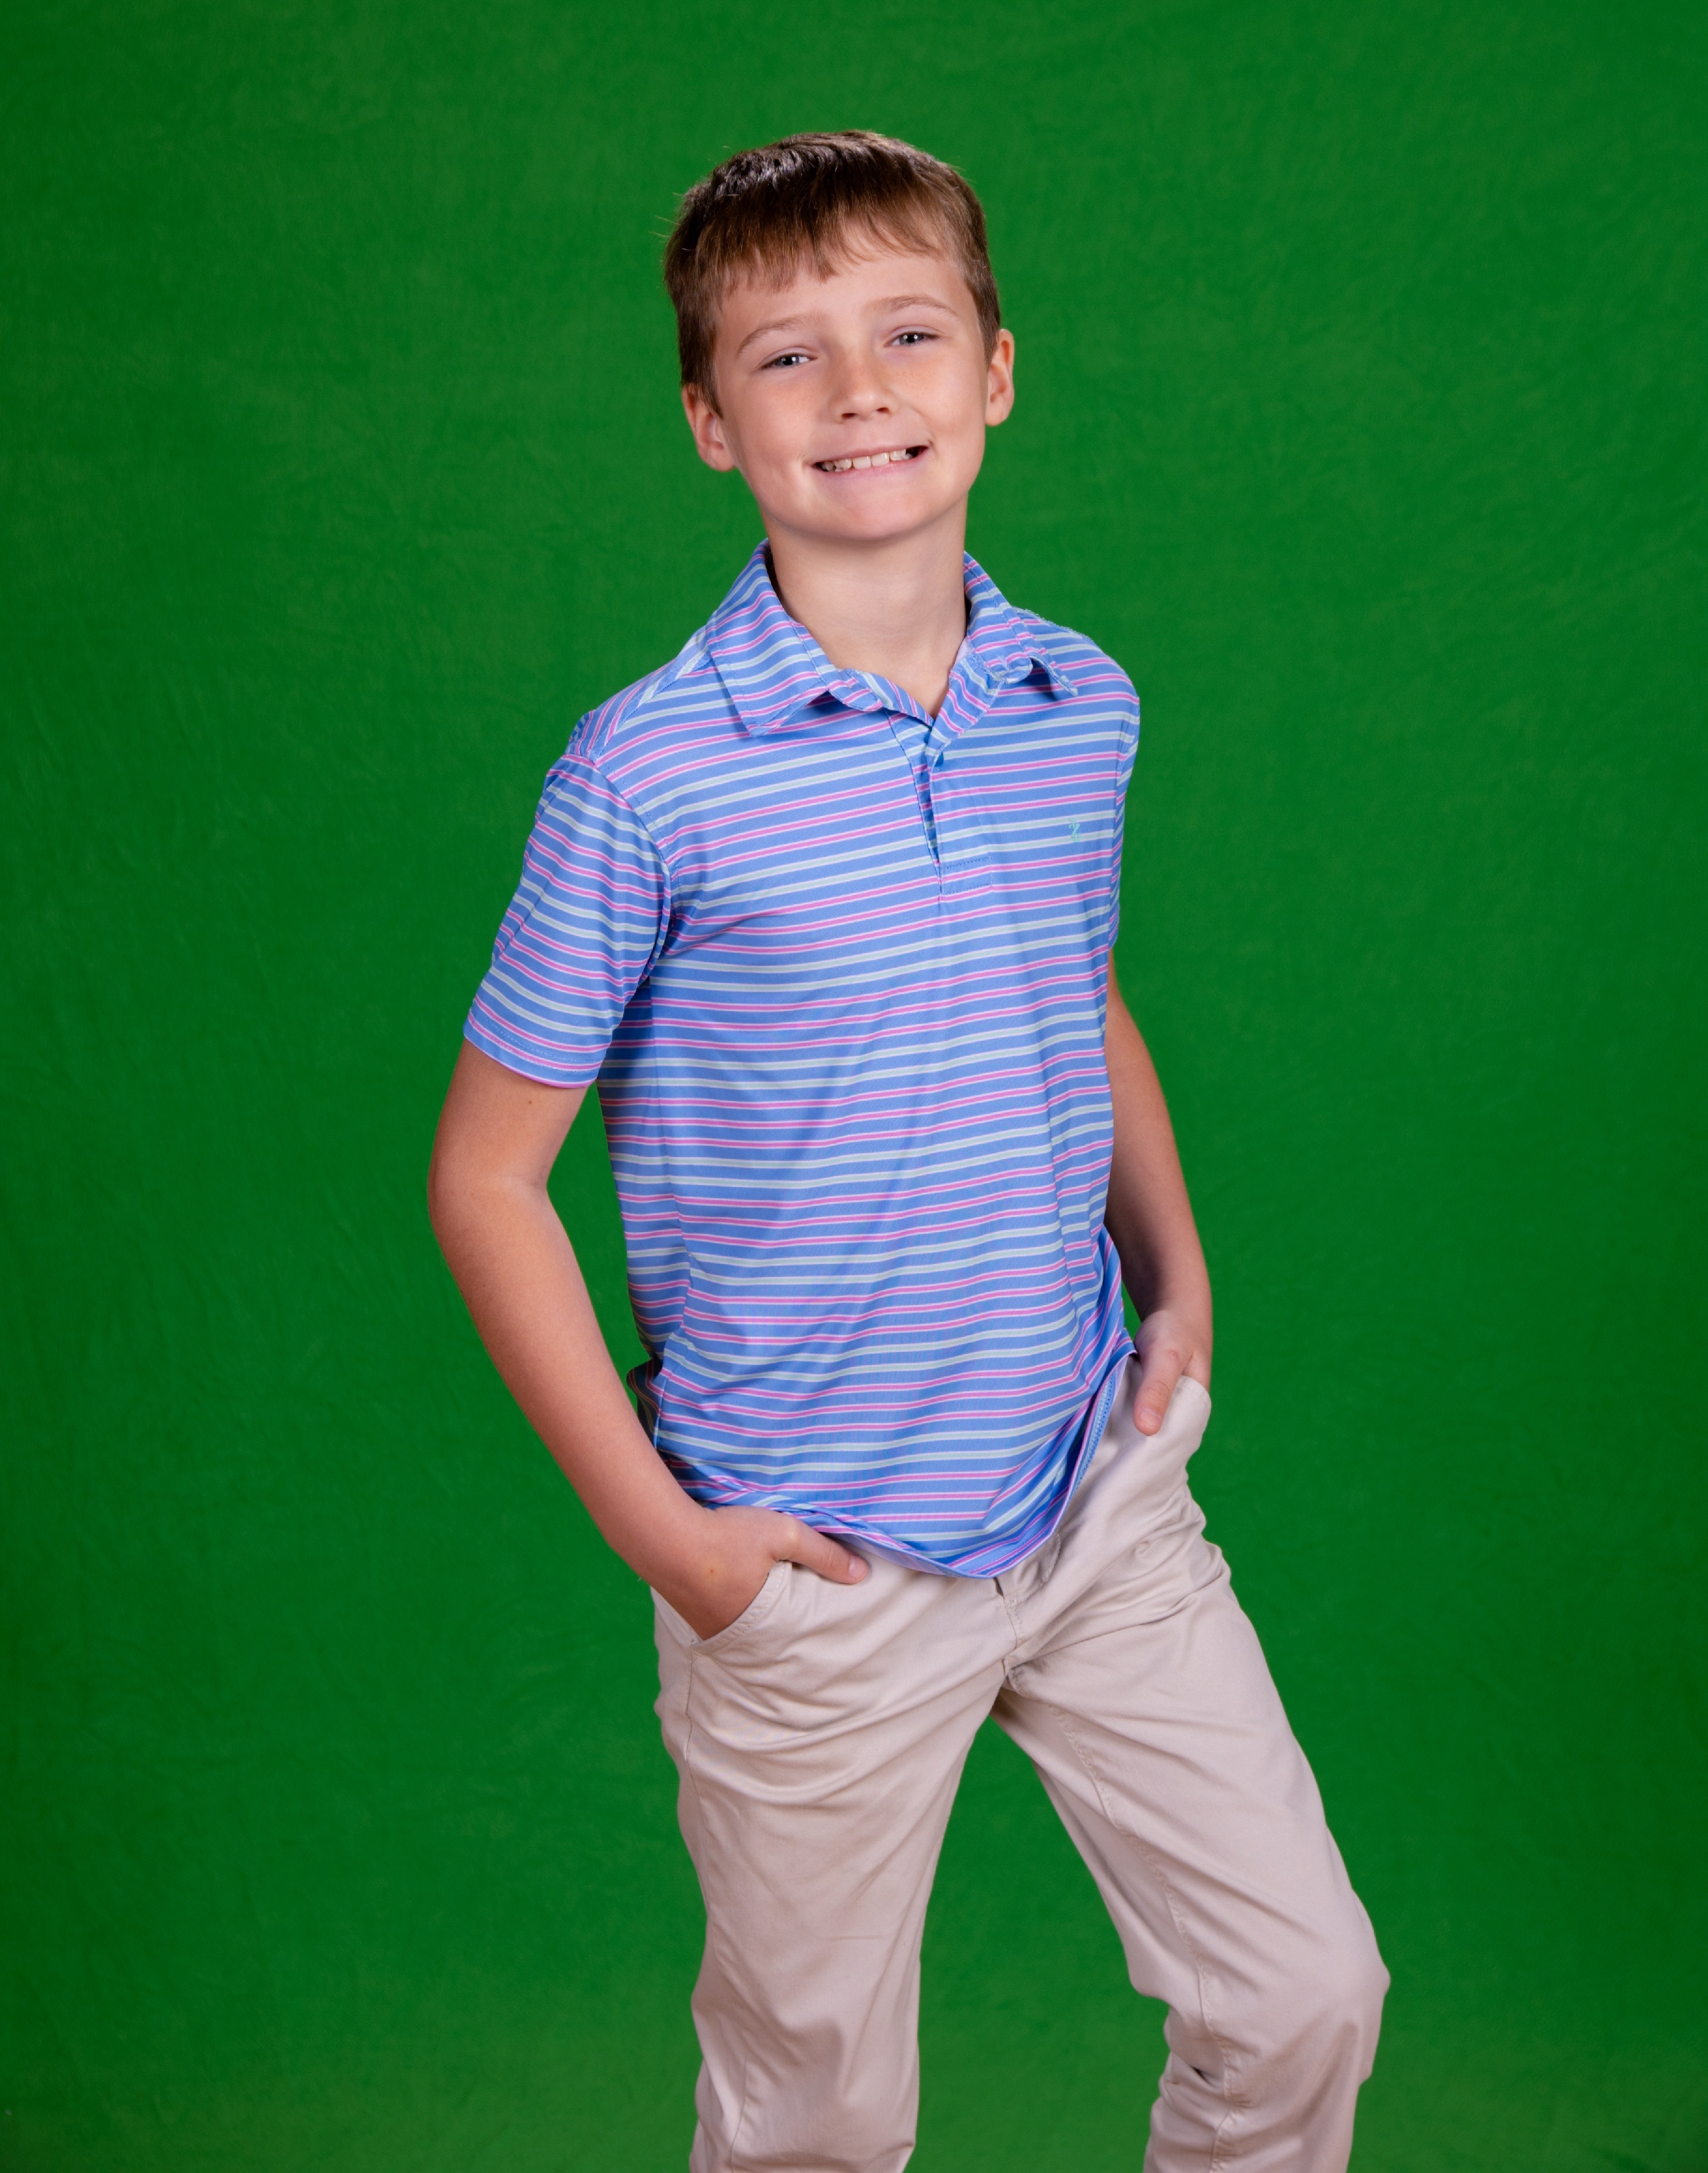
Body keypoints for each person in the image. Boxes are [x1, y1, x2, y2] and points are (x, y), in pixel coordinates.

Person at [428, 131, 1386, 2172]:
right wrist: (677, 1548)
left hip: (1090, 1491)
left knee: (1306, 1993)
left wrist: (1179, 1276)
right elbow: (485, 1179)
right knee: (818, 2119)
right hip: (815, 1559)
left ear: (998, 371)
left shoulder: (1075, 701)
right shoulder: (646, 773)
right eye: (788, 355)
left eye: (910, 335)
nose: (859, 391)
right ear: (711, 419)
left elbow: (1076, 985)